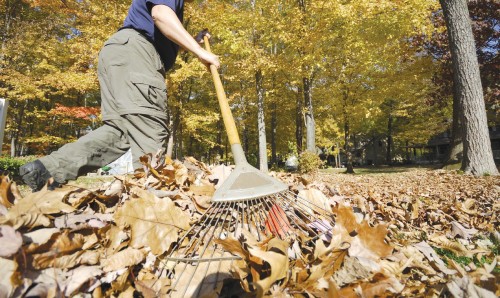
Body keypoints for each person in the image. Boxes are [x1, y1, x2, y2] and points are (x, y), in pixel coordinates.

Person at [19, 0, 220, 192]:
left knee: (119, 131)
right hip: (137, 53)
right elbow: (160, 14)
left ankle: (47, 170)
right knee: (149, 126)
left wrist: (192, 41)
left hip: (120, 54)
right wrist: (200, 52)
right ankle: (151, 202)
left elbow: (161, 30)